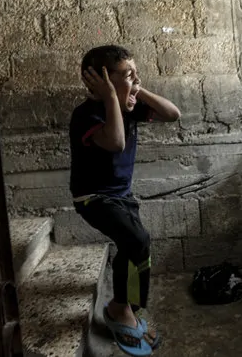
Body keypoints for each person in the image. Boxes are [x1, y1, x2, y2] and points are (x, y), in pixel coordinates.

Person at [69, 45, 181, 356]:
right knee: (137, 240)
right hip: (93, 198)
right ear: (101, 81)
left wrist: (135, 89)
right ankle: (122, 308)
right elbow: (116, 143)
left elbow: (173, 114)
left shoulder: (129, 106)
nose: (135, 78)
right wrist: (110, 98)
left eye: (135, 73)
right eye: (127, 75)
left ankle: (129, 306)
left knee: (136, 247)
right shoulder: (85, 115)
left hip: (122, 197)